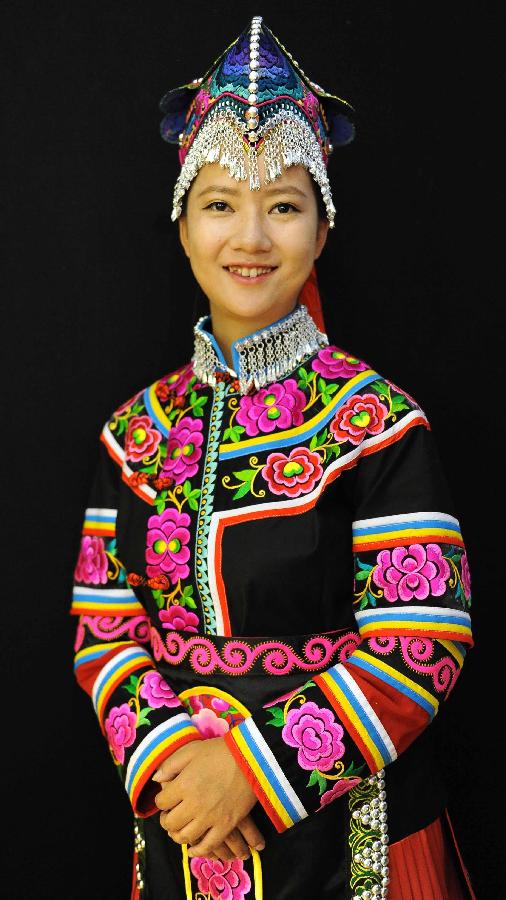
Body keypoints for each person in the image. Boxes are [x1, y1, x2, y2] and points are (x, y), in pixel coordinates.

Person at [70, 15, 475, 899]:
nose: (251, 238)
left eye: (284, 206)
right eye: (220, 204)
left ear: (321, 231)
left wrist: (251, 772)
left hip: (353, 843)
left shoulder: (378, 425)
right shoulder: (133, 433)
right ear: (183, 226)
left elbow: (425, 642)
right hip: (182, 836)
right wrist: (175, 766)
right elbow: (103, 625)